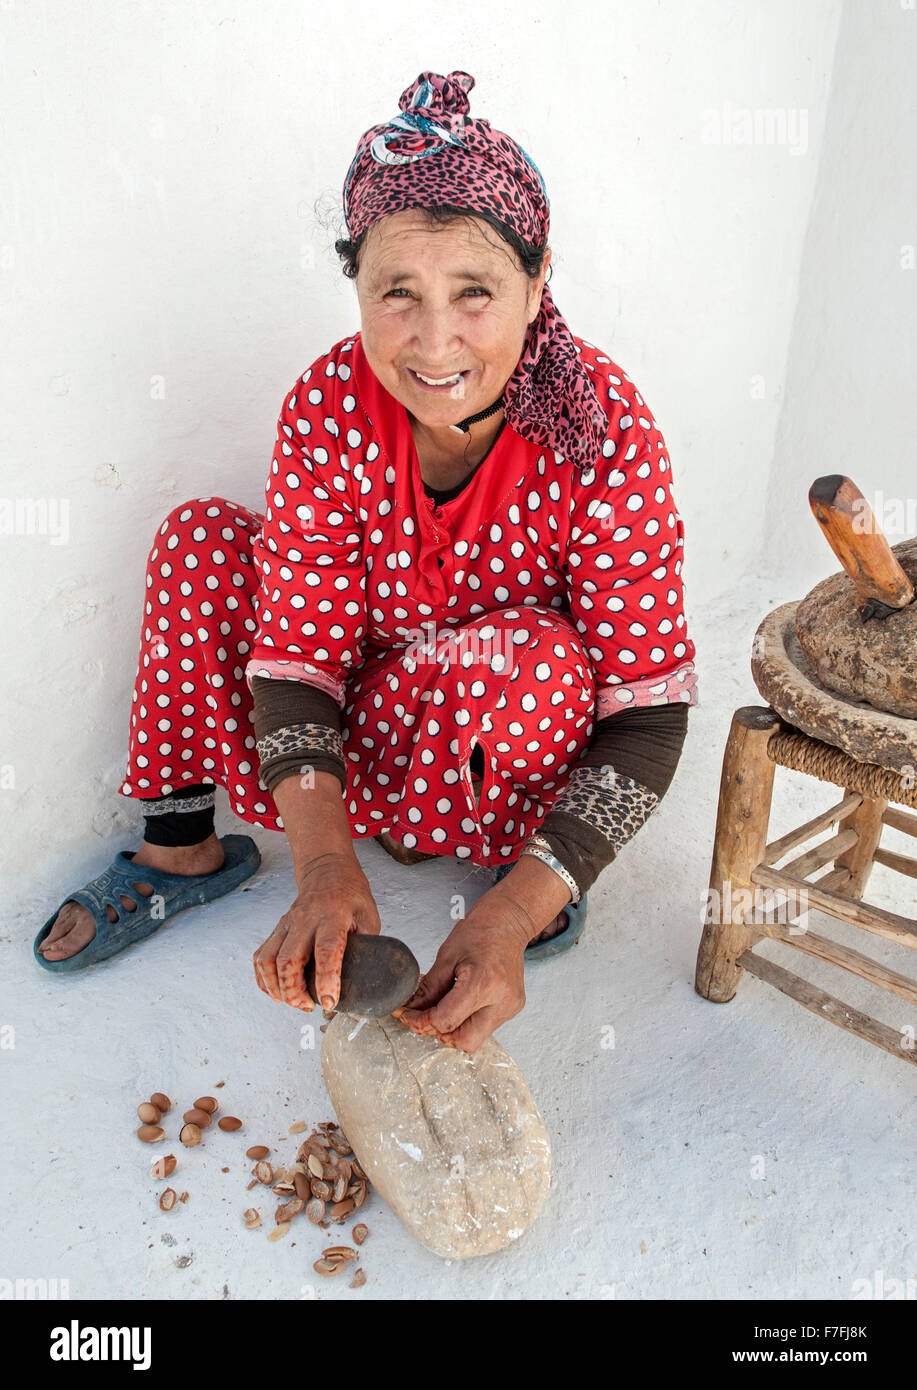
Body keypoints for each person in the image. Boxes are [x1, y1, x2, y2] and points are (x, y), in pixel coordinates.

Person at [35, 69, 698, 1054]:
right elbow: (296, 659)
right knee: (202, 540)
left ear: (537, 275)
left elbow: (644, 715)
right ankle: (181, 856)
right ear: (355, 281)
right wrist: (322, 868)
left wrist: (509, 916)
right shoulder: (328, 407)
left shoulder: (596, 426)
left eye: (474, 291)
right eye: (397, 292)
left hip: (486, 751)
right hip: (344, 738)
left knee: (542, 658)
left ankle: (523, 882)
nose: (435, 341)